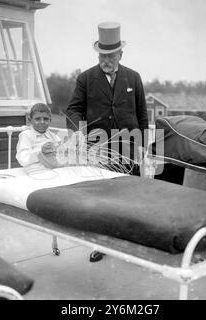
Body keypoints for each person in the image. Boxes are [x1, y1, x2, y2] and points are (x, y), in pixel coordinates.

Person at [66, 21, 149, 262]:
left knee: (130, 195)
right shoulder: (86, 78)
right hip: (99, 149)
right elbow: (73, 110)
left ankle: (130, 242)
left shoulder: (133, 77)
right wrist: (78, 133)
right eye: (103, 55)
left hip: (129, 147)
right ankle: (101, 243)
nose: (107, 59)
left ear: (120, 54)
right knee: (101, 198)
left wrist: (143, 145)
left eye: (111, 55)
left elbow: (142, 114)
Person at [16, 103, 61, 174]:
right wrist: (40, 152)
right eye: (37, 119)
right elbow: (23, 159)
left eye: (46, 119)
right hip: (36, 171)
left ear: (50, 120)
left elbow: (60, 153)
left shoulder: (53, 136)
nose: (42, 122)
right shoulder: (26, 135)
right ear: (30, 120)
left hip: (53, 169)